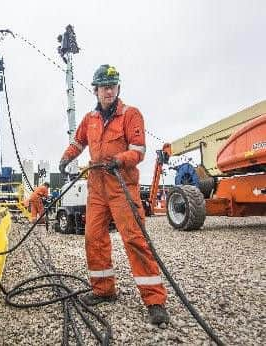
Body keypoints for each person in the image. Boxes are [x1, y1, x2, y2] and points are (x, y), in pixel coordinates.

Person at [58, 65, 169, 325]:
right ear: (95, 90)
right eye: (103, 87)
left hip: (122, 187)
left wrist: (118, 160)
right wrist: (66, 157)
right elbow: (78, 142)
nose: (108, 91)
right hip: (97, 189)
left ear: (118, 88)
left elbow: (138, 151)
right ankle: (103, 290)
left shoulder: (131, 115)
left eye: (112, 86)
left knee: (135, 240)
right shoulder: (89, 120)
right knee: (93, 238)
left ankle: (154, 300)